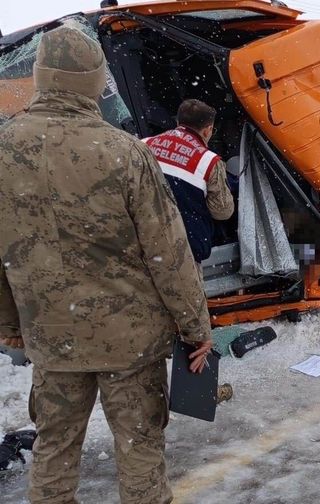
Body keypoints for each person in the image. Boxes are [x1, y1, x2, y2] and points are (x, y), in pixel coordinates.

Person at [0, 26, 212, 503]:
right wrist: (195, 326)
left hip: (52, 336)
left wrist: (11, 324)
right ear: (96, 81)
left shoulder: (4, 149)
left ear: (39, 77)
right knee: (139, 449)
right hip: (130, 341)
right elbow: (169, 253)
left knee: (53, 448)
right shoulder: (125, 152)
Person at [145, 99, 235, 263]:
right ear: (208, 131)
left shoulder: (144, 144)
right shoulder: (209, 161)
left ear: (178, 122)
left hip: (144, 242)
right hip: (184, 251)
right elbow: (223, 212)